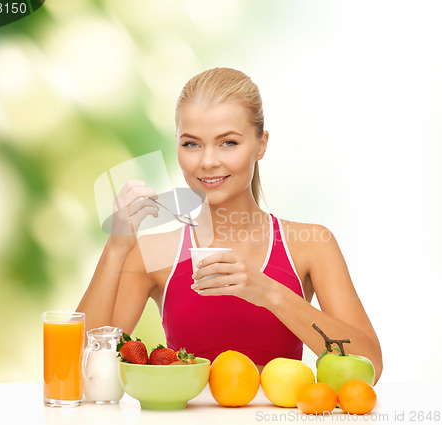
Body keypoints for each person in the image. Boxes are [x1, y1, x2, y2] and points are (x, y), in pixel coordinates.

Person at [77, 67, 383, 381]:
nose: (208, 161)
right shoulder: (152, 253)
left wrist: (267, 292)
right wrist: (115, 248)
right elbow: (84, 371)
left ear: (261, 144)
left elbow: (368, 365)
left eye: (228, 143)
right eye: (192, 144)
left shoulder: (311, 245)